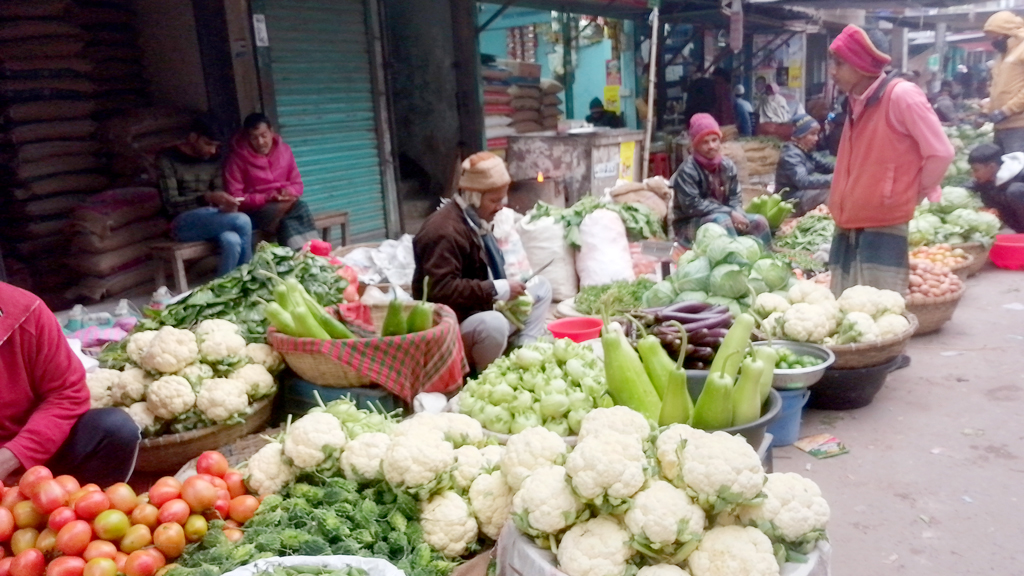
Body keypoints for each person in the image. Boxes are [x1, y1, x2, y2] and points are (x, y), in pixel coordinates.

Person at [827, 24, 954, 296]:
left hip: (882, 220)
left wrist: (912, 191)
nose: (832, 71)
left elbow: (941, 153)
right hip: (848, 218)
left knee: (880, 309)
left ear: (860, 65)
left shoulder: (902, 96)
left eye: (839, 63)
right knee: (844, 307)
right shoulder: (855, 99)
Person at [412, 152, 552, 372]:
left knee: (542, 287)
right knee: (493, 325)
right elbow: (440, 289)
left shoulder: (476, 221)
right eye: (494, 200)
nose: (501, 207)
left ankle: (524, 349)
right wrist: (497, 289)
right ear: (473, 197)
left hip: (483, 306)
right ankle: (484, 374)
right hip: (452, 325)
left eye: (502, 199)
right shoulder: (443, 232)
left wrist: (504, 290)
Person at [1, 282, 140, 486]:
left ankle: (75, 508)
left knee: (114, 428)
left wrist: (12, 456)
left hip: (35, 449)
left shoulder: (25, 312)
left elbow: (67, 393)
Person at [157, 117, 253, 277]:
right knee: (242, 220)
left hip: (212, 218)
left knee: (232, 240)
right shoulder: (168, 159)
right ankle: (249, 279)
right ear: (193, 138)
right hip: (182, 223)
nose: (212, 151)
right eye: (208, 144)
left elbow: (217, 195)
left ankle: (222, 289)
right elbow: (170, 204)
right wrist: (206, 198)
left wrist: (226, 205)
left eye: (216, 146)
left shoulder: (213, 159)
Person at [670, 113, 772, 247]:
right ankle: (736, 259)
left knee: (759, 221)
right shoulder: (688, 170)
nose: (711, 146)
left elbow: (735, 196)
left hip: (724, 216)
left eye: (714, 140)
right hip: (690, 223)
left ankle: (767, 260)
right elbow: (693, 206)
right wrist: (729, 213)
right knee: (722, 221)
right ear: (695, 145)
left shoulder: (727, 165)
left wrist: (738, 213)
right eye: (705, 142)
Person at [224, 113, 318, 250]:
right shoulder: (236, 159)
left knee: (290, 217)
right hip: (256, 211)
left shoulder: (285, 151)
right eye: (254, 138)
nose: (260, 142)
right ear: (247, 137)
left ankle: (304, 253)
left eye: (264, 135)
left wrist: (287, 192)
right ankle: (313, 253)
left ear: (271, 132)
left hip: (285, 206)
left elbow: (297, 184)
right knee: (298, 207)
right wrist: (266, 197)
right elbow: (235, 197)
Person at [775, 114, 834, 216]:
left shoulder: (805, 151)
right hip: (791, 200)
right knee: (828, 192)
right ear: (799, 136)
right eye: (812, 134)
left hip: (802, 195)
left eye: (817, 134)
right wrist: (833, 179)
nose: (816, 138)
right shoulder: (791, 155)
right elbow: (803, 181)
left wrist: (844, 169)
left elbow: (825, 166)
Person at [968, 142, 1024, 232]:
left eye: (976, 170)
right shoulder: (989, 177)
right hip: (1016, 227)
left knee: (1015, 191)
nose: (973, 174)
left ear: (991, 167)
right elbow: (971, 185)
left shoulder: (1019, 180)